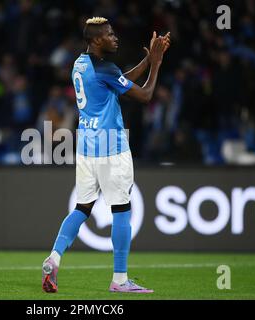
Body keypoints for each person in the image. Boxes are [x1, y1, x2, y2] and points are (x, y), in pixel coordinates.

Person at [42, 17, 170, 293]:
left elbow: (117, 81)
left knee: (83, 207)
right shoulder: (106, 69)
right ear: (96, 40)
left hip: (86, 147)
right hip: (112, 148)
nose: (115, 38)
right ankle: (120, 280)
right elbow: (145, 95)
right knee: (122, 209)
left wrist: (145, 62)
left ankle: (54, 257)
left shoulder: (80, 64)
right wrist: (156, 64)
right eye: (110, 35)